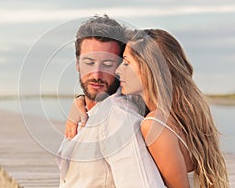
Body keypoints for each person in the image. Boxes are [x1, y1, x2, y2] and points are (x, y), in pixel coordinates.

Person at [56, 15, 165, 187]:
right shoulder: (90, 111)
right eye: (89, 62)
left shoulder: (119, 118)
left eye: (107, 64)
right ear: (77, 64)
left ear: (120, 67)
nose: (96, 75)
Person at [114, 29, 229, 187]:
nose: (118, 70)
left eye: (127, 63)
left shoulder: (155, 125)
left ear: (150, 68)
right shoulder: (181, 116)